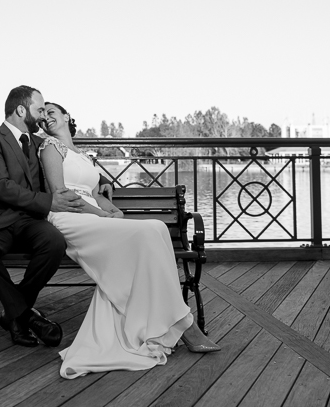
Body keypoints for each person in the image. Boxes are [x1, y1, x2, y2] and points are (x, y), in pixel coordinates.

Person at [38, 101, 220, 379]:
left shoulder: (83, 156)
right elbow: (62, 193)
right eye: (43, 114)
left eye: (52, 111)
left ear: (66, 116)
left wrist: (113, 210)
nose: (47, 117)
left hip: (92, 214)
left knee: (158, 228)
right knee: (148, 233)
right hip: (69, 217)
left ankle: (167, 322)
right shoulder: (50, 147)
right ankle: (185, 325)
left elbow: (92, 190)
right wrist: (101, 214)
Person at [0, 85, 102, 348]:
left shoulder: (42, 143)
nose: (42, 116)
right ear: (21, 109)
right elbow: (0, 186)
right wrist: (49, 201)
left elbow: (72, 161)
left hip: (30, 221)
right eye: (39, 109)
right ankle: (26, 316)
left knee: (54, 243)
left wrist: (105, 181)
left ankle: (14, 312)